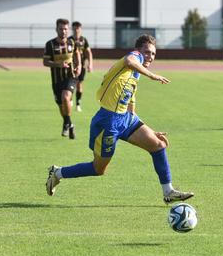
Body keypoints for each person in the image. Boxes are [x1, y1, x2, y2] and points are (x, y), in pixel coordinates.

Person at [45, 34, 194, 204]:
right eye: (147, 52)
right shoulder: (135, 57)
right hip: (108, 122)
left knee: (158, 145)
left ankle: (168, 191)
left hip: (125, 119)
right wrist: (152, 75)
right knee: (98, 168)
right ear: (139, 50)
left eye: (153, 54)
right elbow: (130, 61)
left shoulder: (134, 75)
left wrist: (149, 131)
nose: (150, 57)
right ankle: (57, 173)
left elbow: (130, 108)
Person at [43, 18, 81, 139]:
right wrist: (58, 65)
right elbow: (45, 62)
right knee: (61, 105)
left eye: (65, 29)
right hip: (56, 79)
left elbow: (77, 53)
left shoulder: (72, 42)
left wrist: (79, 65)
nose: (64, 31)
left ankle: (67, 123)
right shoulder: (50, 44)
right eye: (61, 29)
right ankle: (68, 123)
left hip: (70, 76)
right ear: (56, 29)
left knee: (66, 97)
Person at [69, 21, 93, 112]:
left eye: (78, 29)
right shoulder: (69, 40)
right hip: (71, 66)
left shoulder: (84, 40)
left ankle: (78, 104)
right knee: (71, 83)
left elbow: (88, 52)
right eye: (74, 29)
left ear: (80, 29)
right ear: (72, 29)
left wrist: (90, 64)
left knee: (79, 85)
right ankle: (70, 98)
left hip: (82, 66)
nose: (76, 31)